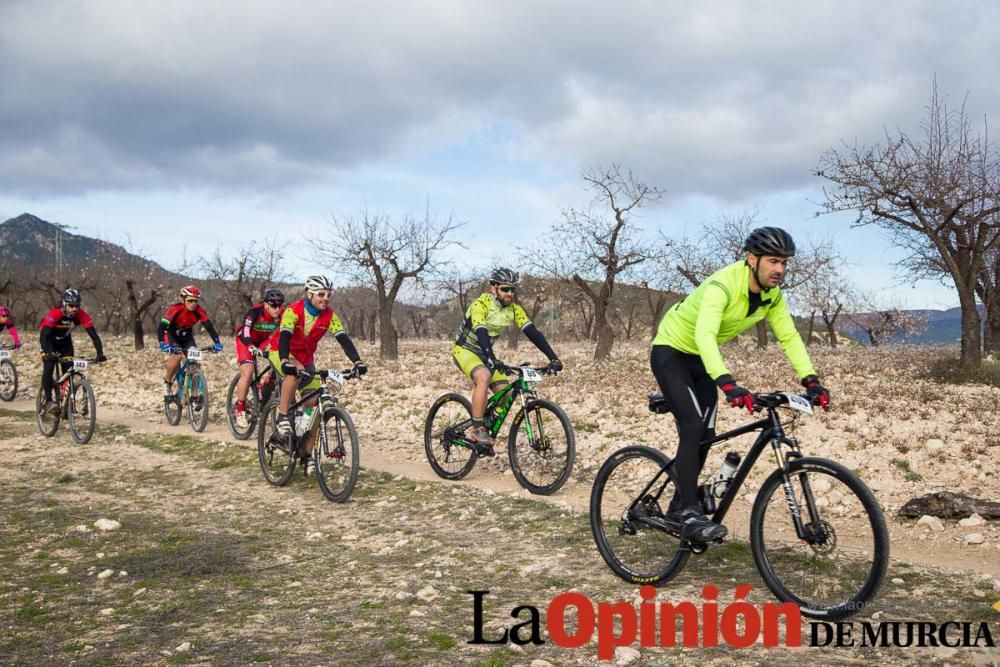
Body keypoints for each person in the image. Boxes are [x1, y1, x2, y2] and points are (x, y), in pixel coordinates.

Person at [650, 227, 831, 543]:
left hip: (701, 361)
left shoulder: (772, 296)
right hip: (672, 352)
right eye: (773, 261)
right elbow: (704, 335)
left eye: (784, 263)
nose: (780, 270)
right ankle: (690, 513)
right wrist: (728, 384)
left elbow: (788, 337)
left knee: (706, 436)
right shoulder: (723, 285)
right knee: (693, 426)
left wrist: (811, 379)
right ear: (752, 259)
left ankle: (679, 506)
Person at [451, 268, 562, 454]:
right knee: (484, 376)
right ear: (493, 288)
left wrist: (553, 357)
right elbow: (481, 332)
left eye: (513, 289)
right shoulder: (481, 305)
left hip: (486, 354)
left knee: (504, 394)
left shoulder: (514, 310)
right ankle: (477, 429)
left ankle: (487, 424)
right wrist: (491, 358)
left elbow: (533, 333)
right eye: (505, 289)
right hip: (465, 350)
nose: (510, 293)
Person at [266, 275, 367, 472]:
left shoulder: (329, 315)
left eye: (328, 295)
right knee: (295, 373)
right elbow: (285, 334)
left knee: (314, 405)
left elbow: (343, 338)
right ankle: (283, 416)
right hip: (280, 351)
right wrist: (285, 360)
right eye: (321, 294)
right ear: (309, 294)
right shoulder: (293, 311)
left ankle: (306, 453)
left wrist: (357, 361)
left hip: (306, 358)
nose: (325, 298)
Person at [38, 289, 107, 413]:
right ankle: (48, 401)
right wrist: (48, 353)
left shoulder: (81, 315)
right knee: (49, 367)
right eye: (71, 306)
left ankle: (65, 403)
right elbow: (44, 335)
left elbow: (94, 335)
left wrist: (100, 353)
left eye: (77, 306)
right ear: (64, 304)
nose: (74, 309)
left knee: (68, 369)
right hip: (49, 341)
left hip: (65, 342)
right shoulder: (54, 314)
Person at [157, 286, 223, 401]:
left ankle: (195, 394)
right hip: (172, 335)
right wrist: (162, 342)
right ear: (183, 300)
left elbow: (209, 327)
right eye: (190, 300)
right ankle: (167, 383)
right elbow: (161, 328)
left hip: (187, 337)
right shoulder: (175, 309)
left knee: (194, 362)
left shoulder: (199, 311)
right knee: (177, 356)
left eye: (195, 301)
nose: (193, 304)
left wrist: (217, 342)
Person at [232, 288, 285, 429]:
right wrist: (250, 346)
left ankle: (266, 385)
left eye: (280, 305)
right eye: (274, 305)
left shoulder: (283, 313)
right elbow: (247, 330)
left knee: (279, 363)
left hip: (263, 340)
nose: (277, 309)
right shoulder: (254, 312)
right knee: (248, 372)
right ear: (266, 304)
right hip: (245, 340)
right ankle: (240, 409)